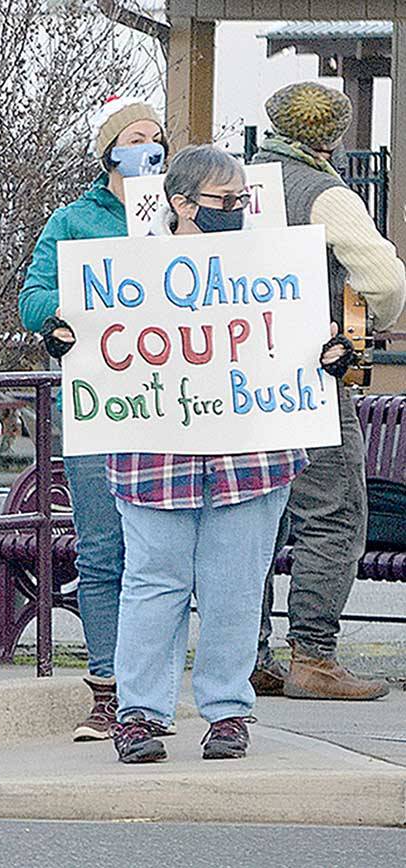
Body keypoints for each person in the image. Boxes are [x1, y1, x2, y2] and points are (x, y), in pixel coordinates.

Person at [55, 146, 349, 763]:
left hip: (249, 459)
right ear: (181, 203)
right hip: (155, 454)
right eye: (223, 201)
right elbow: (92, 332)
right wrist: (65, 334)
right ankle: (138, 714)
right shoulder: (128, 272)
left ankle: (227, 712)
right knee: (151, 584)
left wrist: (330, 357)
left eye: (243, 200)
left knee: (235, 588)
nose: (237, 210)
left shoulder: (271, 266)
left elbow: (301, 337)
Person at [251, 82, 406, 701]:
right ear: (333, 135)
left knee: (251, 516)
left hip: (234, 379)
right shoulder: (325, 193)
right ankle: (313, 657)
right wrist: (368, 318)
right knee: (334, 512)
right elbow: (384, 276)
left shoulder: (235, 180)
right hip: (311, 373)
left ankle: (246, 655)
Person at [19, 96, 167, 742]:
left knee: (159, 559)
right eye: (135, 137)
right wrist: (86, 300)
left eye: (157, 138)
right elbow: (33, 299)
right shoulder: (73, 221)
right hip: (97, 405)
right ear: (108, 150)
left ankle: (149, 695)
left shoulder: (178, 214)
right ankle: (108, 690)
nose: (149, 147)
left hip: (168, 404)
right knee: (103, 554)